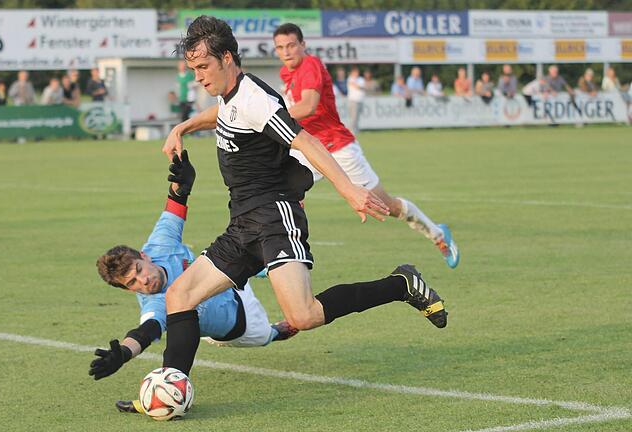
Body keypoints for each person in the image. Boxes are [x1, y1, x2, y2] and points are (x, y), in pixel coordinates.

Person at [160, 16, 449, 380]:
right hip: (243, 223)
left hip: (275, 218)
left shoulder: (255, 99)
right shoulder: (231, 96)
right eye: (193, 68)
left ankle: (401, 284)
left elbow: (306, 140)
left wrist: (349, 190)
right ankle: (172, 385)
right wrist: (182, 127)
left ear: (228, 58)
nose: (198, 76)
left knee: (303, 316)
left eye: (203, 66)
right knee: (179, 297)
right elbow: (220, 113)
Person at [90, 151, 298, 413]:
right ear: (126, 289)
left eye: (139, 270)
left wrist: (182, 180)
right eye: (132, 283)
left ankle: (267, 266)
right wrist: (123, 352)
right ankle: (278, 331)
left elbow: (175, 204)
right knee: (265, 336)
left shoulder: (160, 243)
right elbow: (147, 331)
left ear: (143, 256)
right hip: (242, 324)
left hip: (227, 279)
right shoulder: (155, 303)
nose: (144, 281)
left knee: (247, 250)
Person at [274, 22, 458, 268]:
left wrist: (270, 118)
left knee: (387, 206)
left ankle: (437, 234)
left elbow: (307, 106)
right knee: (279, 193)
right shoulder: (286, 73)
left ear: (303, 45)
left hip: (338, 147)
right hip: (310, 147)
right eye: (280, 47)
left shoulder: (310, 66)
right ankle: (277, 255)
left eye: (291, 45)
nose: (286, 52)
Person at [346, 67, 365, 134]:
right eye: (355, 72)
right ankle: (351, 130)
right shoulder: (350, 78)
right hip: (353, 100)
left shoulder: (361, 79)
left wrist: (356, 85)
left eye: (357, 72)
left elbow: (361, 87)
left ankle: (356, 129)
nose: (356, 74)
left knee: (357, 116)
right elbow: (357, 86)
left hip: (360, 100)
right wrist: (357, 85)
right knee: (353, 117)